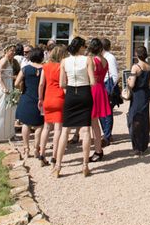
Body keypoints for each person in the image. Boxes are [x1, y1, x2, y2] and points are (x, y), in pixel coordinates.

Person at [54, 37, 93, 178]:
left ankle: (58, 166)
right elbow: (93, 81)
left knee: (65, 130)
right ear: (81, 47)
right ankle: (85, 165)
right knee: (86, 129)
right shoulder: (87, 60)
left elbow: (62, 83)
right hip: (84, 92)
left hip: (70, 93)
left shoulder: (64, 61)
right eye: (84, 46)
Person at [38, 44, 68, 166]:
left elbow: (41, 84)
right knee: (57, 129)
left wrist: (40, 98)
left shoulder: (45, 66)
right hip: (59, 98)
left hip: (48, 98)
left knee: (46, 127)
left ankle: (42, 154)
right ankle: (55, 156)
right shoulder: (62, 67)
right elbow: (65, 84)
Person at [15, 47, 45, 160]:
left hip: (27, 97)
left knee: (26, 124)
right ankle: (36, 149)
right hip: (41, 99)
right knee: (39, 126)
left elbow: (17, 83)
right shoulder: (44, 69)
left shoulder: (25, 69)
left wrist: (23, 86)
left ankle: (26, 148)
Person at [87, 38, 109, 163]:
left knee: (93, 123)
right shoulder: (105, 60)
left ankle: (97, 150)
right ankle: (98, 149)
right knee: (95, 122)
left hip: (93, 89)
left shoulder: (91, 60)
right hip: (101, 88)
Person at [127, 45, 150, 155]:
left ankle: (137, 147)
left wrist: (128, 81)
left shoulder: (136, 67)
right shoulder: (149, 66)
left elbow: (132, 84)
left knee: (134, 119)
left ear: (136, 54)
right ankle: (144, 145)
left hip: (137, 94)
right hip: (146, 94)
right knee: (144, 119)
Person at [100, 38, 119, 147]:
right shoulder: (102, 57)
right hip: (102, 86)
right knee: (102, 113)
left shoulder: (110, 57)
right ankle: (106, 133)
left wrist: (109, 89)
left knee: (107, 112)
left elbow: (114, 75)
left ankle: (107, 136)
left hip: (107, 86)